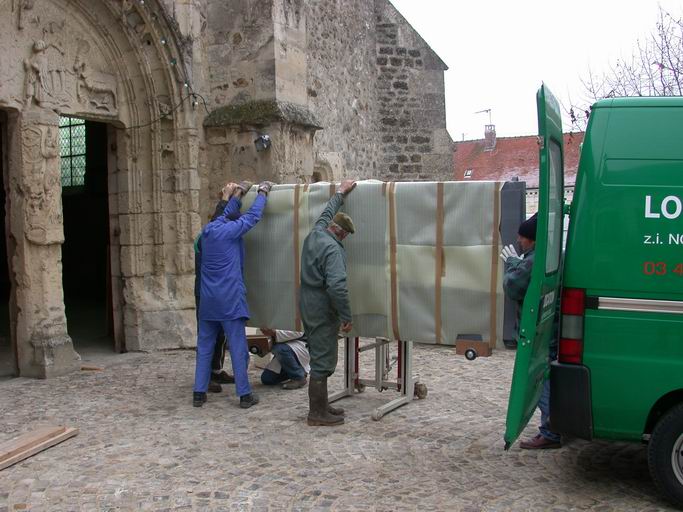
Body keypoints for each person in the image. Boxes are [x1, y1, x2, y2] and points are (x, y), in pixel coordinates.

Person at [193, 180, 274, 409]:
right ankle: (244, 394)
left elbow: (223, 214)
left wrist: (234, 196)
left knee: (205, 347)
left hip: (209, 301)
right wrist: (262, 194)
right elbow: (252, 218)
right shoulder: (230, 231)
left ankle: (199, 393)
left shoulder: (208, 231)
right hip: (229, 300)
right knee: (238, 348)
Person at [500, 213, 561, 449]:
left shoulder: (534, 260)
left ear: (533, 240)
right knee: (547, 378)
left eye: (522, 238)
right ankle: (555, 428)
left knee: (540, 379)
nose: (519, 241)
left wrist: (514, 264)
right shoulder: (552, 254)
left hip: (539, 333)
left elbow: (513, 286)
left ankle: (550, 432)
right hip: (551, 329)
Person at [300, 179, 357, 426]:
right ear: (341, 233)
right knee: (323, 359)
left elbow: (325, 214)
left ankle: (322, 405)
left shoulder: (317, 232)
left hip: (308, 302)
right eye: (345, 235)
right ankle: (316, 413)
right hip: (322, 308)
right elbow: (337, 286)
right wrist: (346, 316)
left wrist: (340, 193)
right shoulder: (333, 251)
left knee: (318, 352)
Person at [193, 183, 241, 393]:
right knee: (208, 336)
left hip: (216, 291)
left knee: (220, 334)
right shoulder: (206, 237)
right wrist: (225, 198)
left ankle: (215, 370)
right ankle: (205, 379)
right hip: (207, 292)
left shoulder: (214, 233)